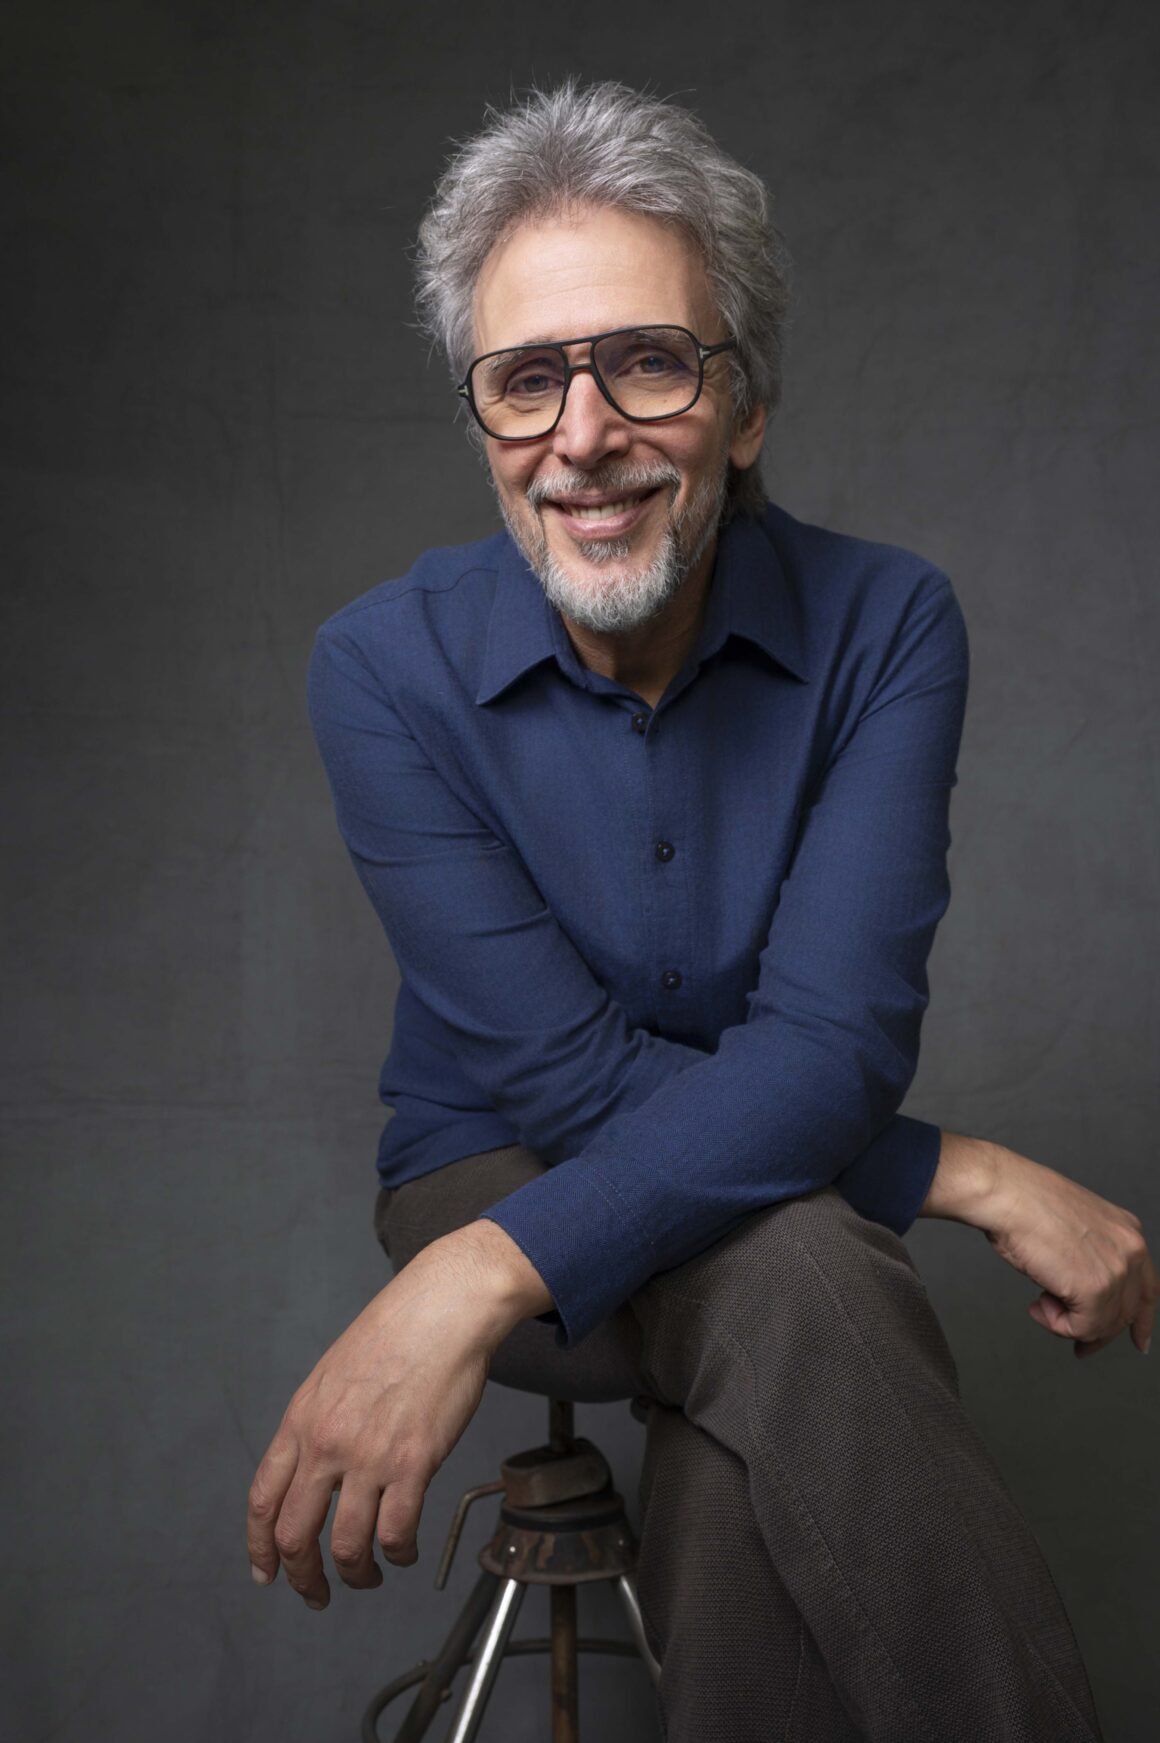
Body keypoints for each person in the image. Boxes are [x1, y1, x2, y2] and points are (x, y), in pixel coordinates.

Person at [246, 79, 1155, 1739]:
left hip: (575, 1239)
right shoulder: (379, 668)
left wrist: (474, 1287)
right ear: (485, 424)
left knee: (787, 1295)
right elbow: (566, 1079)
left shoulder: (888, 624)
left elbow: (831, 1049)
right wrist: (963, 1174)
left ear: (744, 406)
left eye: (647, 362)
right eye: (527, 381)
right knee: (807, 1267)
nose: (583, 435)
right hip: (491, 1163)